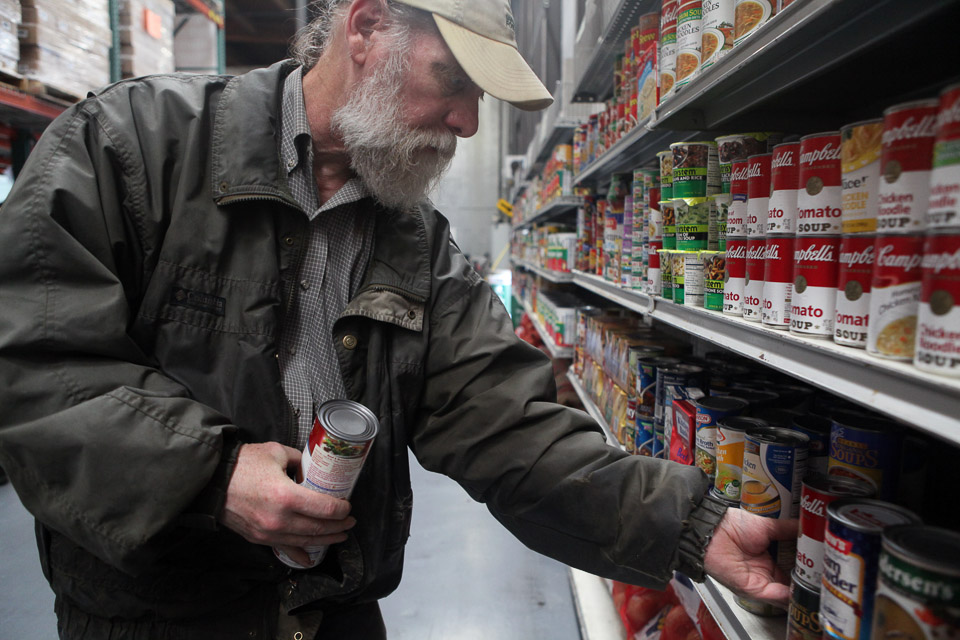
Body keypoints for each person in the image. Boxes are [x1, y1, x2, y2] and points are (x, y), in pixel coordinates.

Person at [0, 0, 796, 638]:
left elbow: (503, 422)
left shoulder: (415, 240)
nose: (467, 123)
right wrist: (209, 476)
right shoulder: (130, 145)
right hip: (161, 613)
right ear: (367, 26)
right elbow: (32, 361)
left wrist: (693, 524)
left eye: (476, 97)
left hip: (335, 606)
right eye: (452, 80)